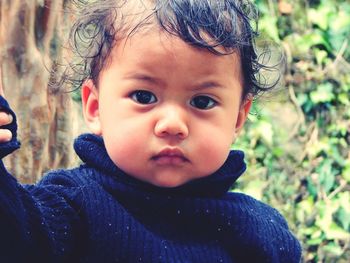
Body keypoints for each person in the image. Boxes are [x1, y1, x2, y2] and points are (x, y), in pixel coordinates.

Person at [0, 0, 302, 262]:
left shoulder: (263, 231)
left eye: (202, 101)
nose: (172, 124)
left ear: (237, 118)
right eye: (144, 97)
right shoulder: (73, 207)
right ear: (94, 107)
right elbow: (16, 241)